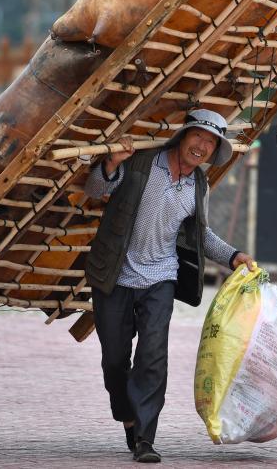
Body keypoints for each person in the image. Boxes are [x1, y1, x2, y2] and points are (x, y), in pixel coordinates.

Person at [83, 108, 254, 463]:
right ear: (183, 136)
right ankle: (128, 417)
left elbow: (201, 234)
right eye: (198, 136)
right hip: (114, 273)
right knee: (115, 360)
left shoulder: (198, 184)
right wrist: (112, 163)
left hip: (161, 276)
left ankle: (145, 438)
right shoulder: (142, 163)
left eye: (211, 143)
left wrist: (233, 255)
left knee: (153, 358)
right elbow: (96, 190)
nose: (202, 146)